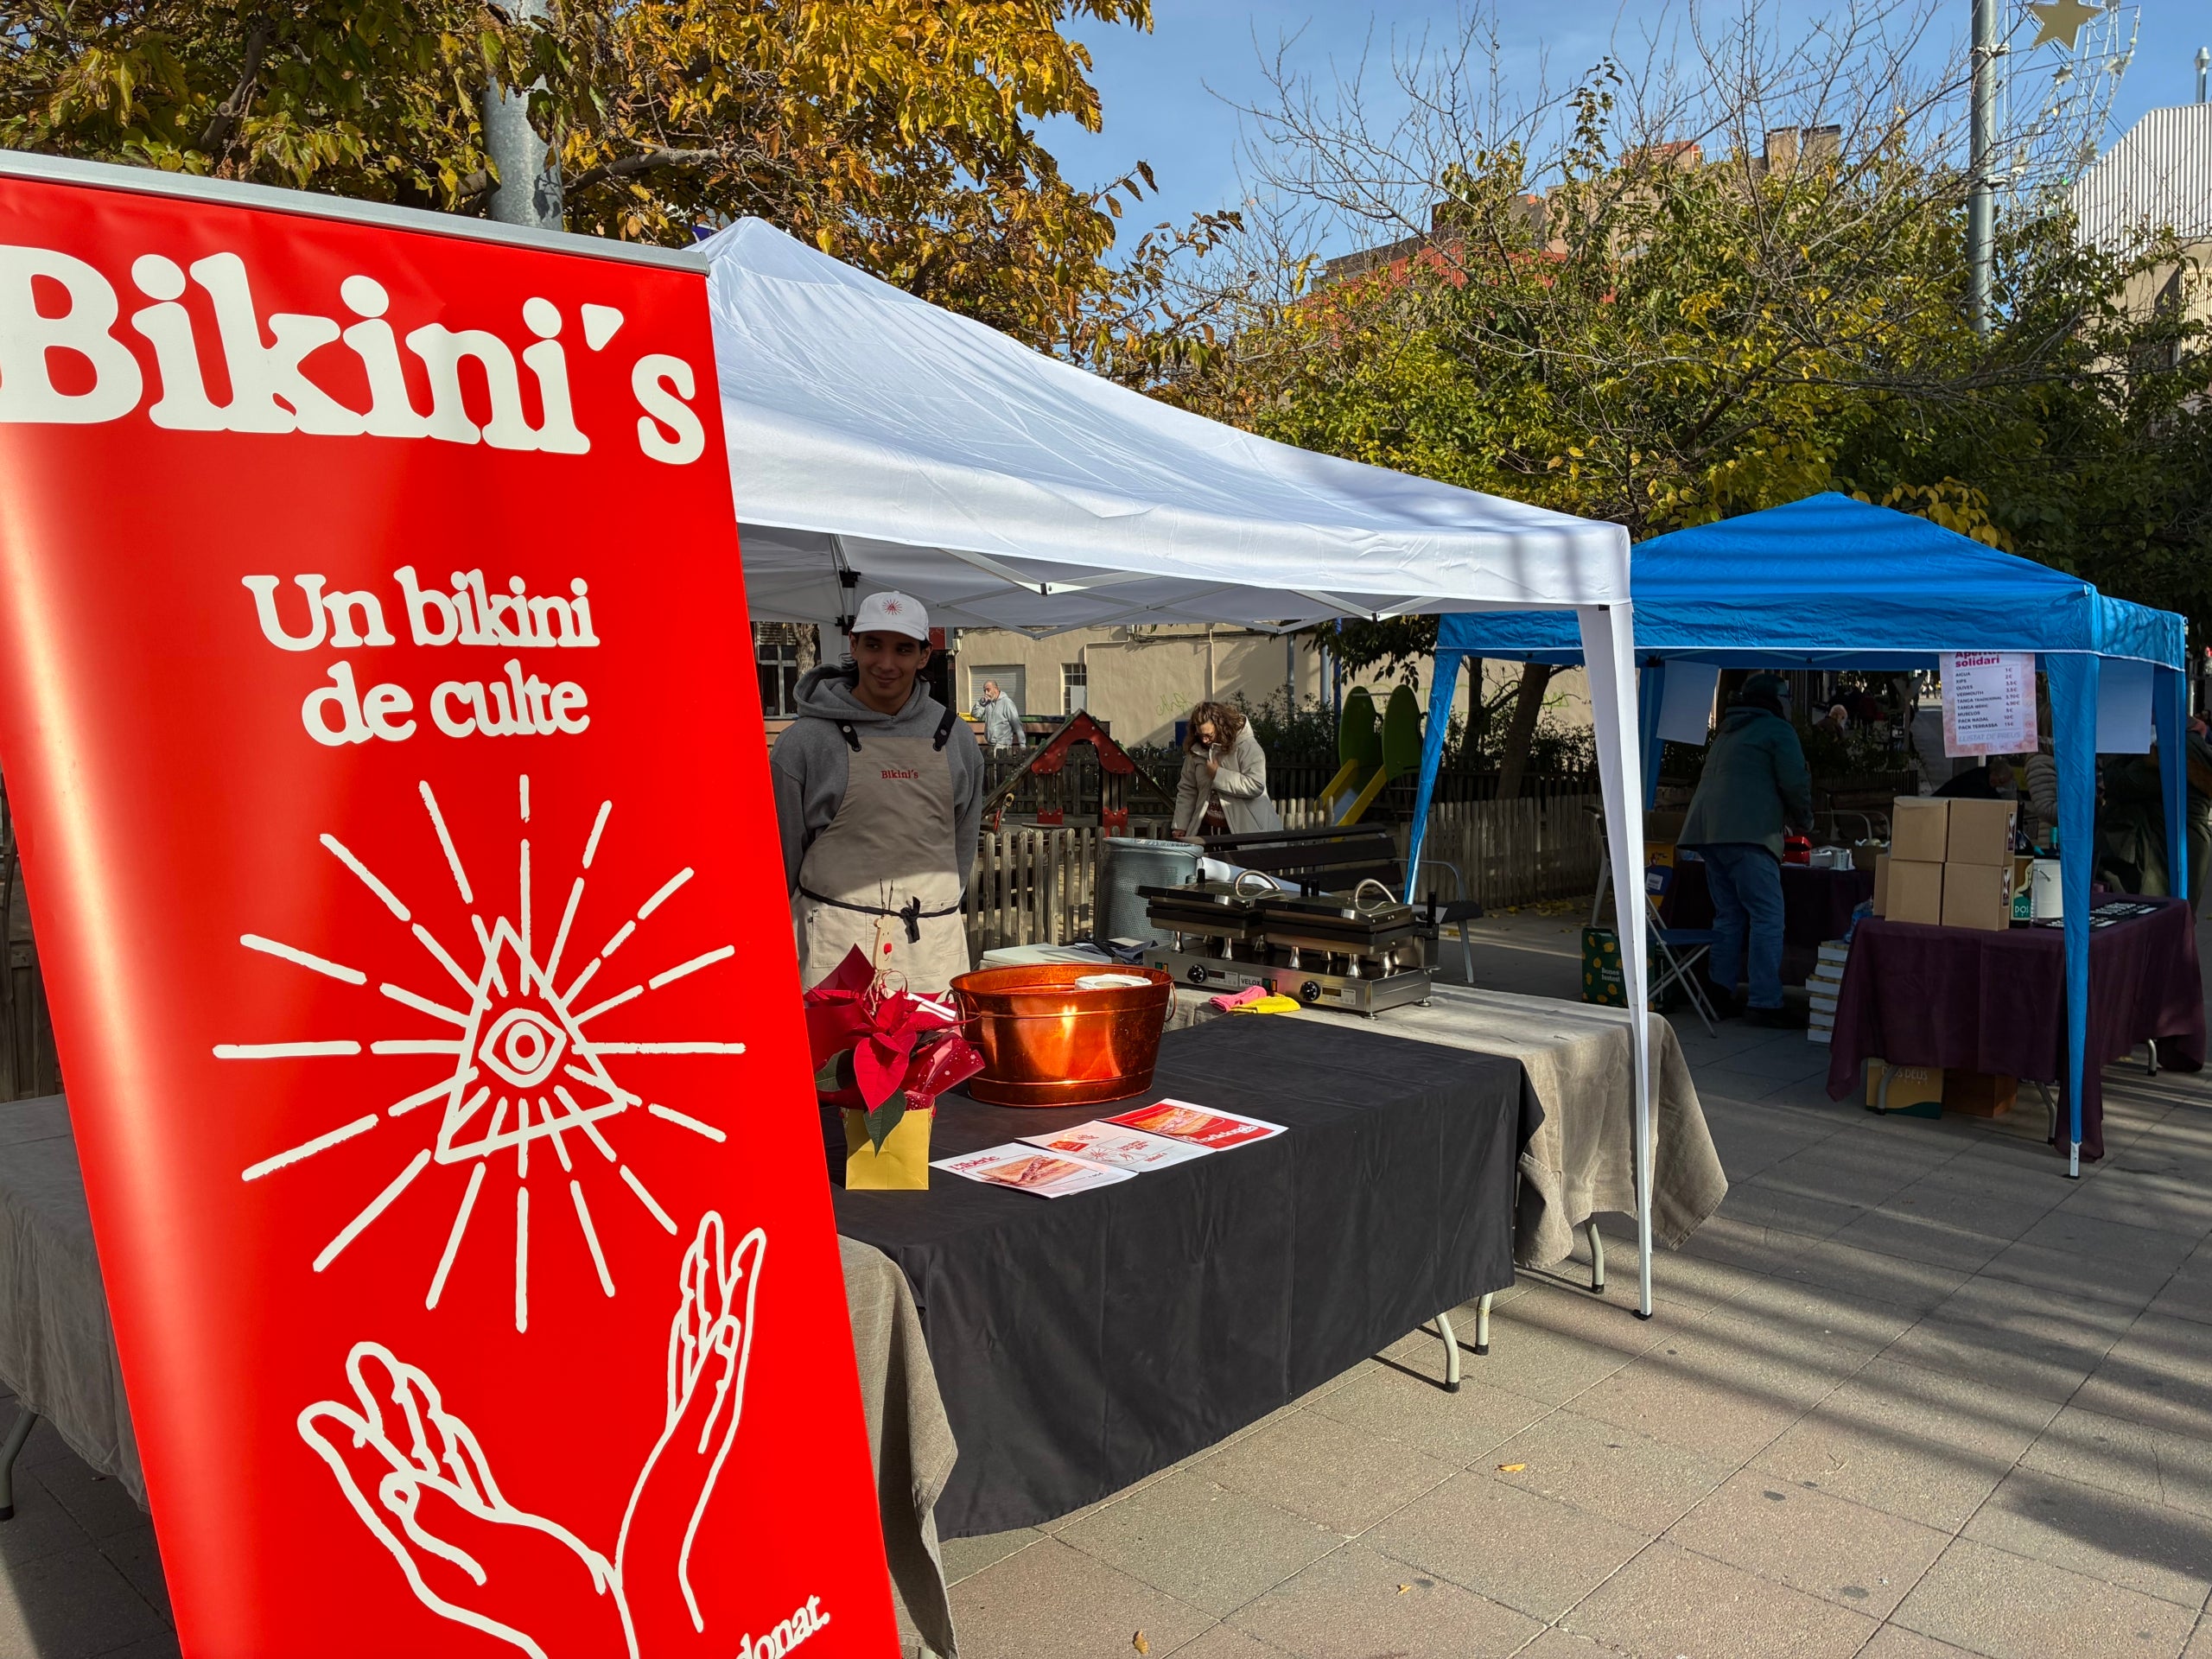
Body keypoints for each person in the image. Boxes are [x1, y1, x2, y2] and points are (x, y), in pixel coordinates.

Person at [770, 592, 983, 994]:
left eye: (903, 649)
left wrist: (937, 905)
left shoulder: (956, 739)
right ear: (852, 645)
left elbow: (962, 845)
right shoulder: (805, 743)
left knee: (932, 1053)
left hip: (931, 950)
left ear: (924, 655)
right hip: (832, 950)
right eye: (873, 645)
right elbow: (782, 858)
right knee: (834, 1058)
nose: (886, 664)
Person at [1678, 672, 1814, 1027]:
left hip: (1709, 834)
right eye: (1786, 698)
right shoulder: (1777, 731)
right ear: (1776, 701)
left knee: (1729, 916)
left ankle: (1719, 994)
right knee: (1768, 916)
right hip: (1750, 834)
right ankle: (1765, 1001)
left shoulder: (1727, 732)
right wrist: (1806, 820)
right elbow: (1795, 781)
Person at [1172, 701, 1282, 842]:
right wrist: (1180, 825)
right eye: (1200, 735)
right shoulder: (1196, 750)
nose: (1204, 740)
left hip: (1243, 833)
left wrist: (1218, 775)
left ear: (1221, 727)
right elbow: (1187, 789)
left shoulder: (1247, 746)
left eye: (1209, 735)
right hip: (1204, 832)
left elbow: (1256, 785)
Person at [974, 678, 1024, 751]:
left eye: (988, 690)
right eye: (984, 691)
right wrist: (980, 702)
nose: (986, 693)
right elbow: (976, 715)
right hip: (990, 744)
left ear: (996, 689)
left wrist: (1022, 745)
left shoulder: (1007, 703)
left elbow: (1017, 724)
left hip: (1003, 745)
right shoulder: (988, 703)